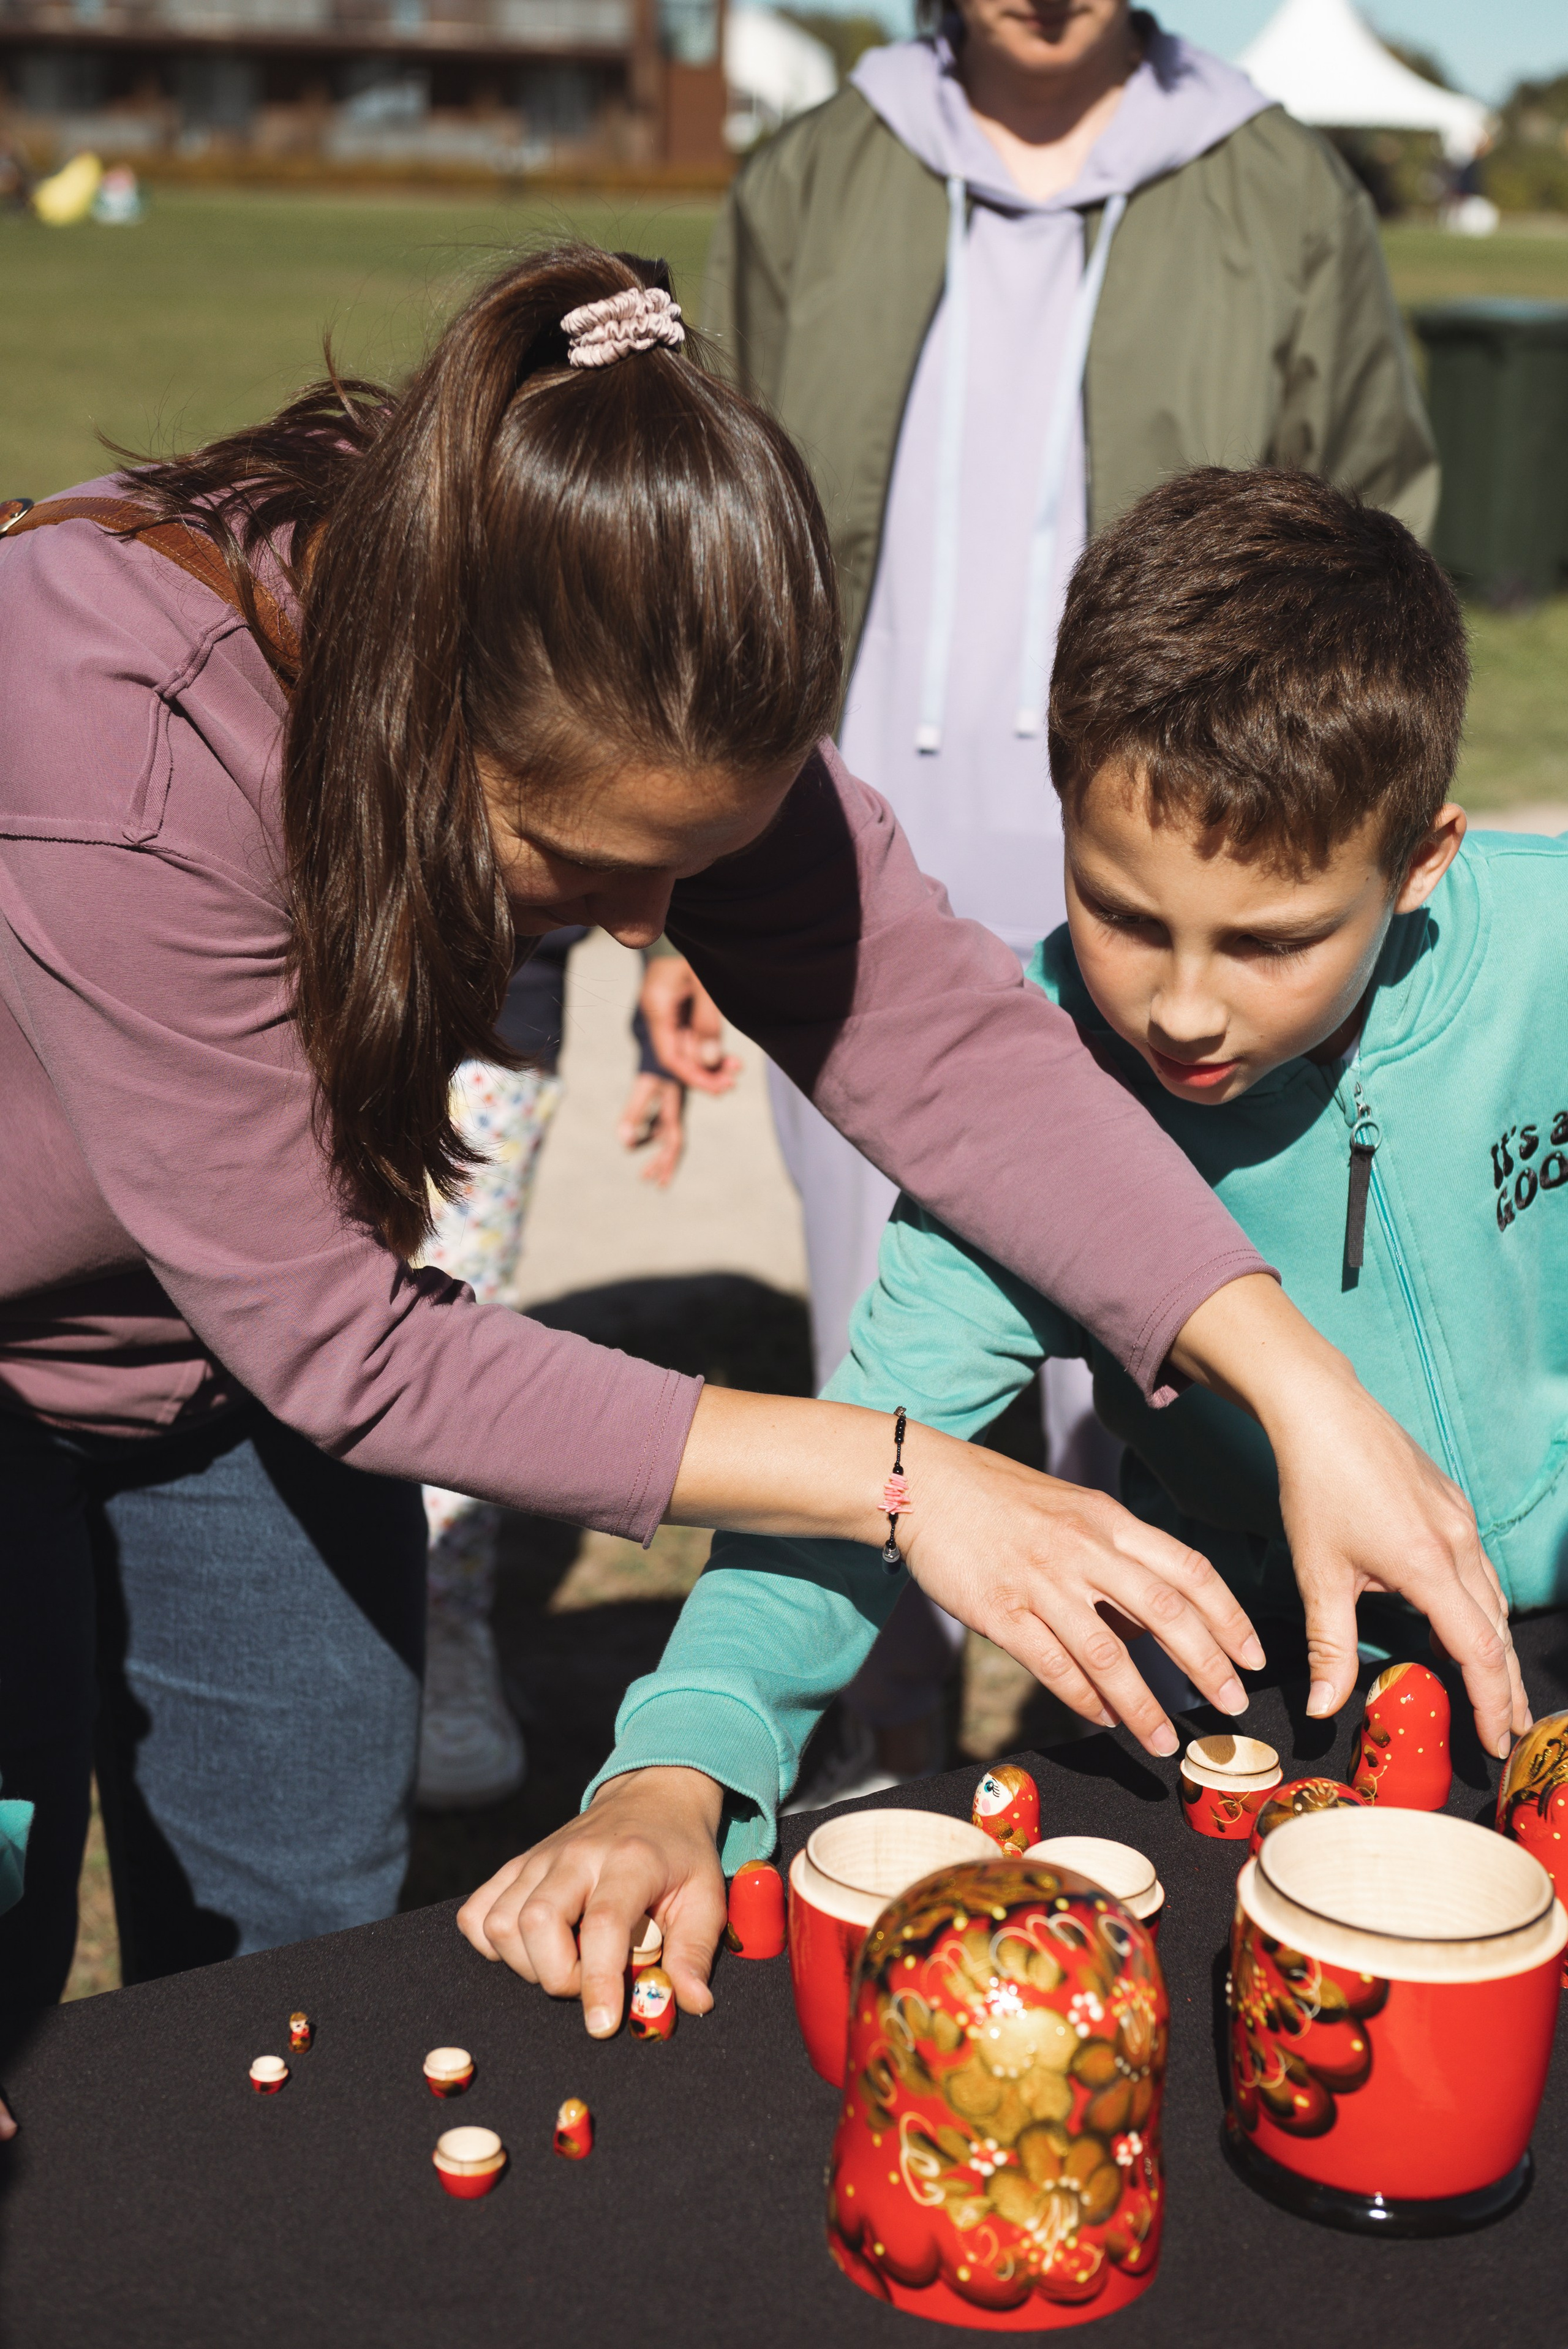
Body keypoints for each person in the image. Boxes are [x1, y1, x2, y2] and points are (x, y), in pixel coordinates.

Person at [0, 248, 1504, 2027]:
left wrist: (1287, 1372)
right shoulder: (125, 743)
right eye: (582, 867)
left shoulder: (657, 672)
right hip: (119, 1345)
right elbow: (339, 1338)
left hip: (217, 1379)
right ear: (424, 712)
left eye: (699, 866)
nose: (649, 930)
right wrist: (903, 1472)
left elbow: (948, 1051)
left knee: (295, 1950)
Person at [468, 467, 1538, 2033]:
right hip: (1245, 1699)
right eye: (1119, 914)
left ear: (1424, 857)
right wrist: (675, 1767)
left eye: (1269, 942)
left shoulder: (1552, 966)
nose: (1180, 1007)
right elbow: (857, 1472)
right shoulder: (1030, 1104)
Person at [653, 0, 1441, 1787]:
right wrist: (711, 886)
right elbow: (722, 540)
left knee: (1162, 1307)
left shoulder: (1275, 183)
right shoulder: (815, 169)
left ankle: (1155, 1710)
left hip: (1171, 856)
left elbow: (1372, 516)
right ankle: (887, 1725)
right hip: (851, 839)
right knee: (900, 1311)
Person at [416, 930, 713, 1809]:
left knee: (445, 1318)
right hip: (270, 976)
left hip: (489, 1008)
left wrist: (668, 950)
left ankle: (440, 1626)